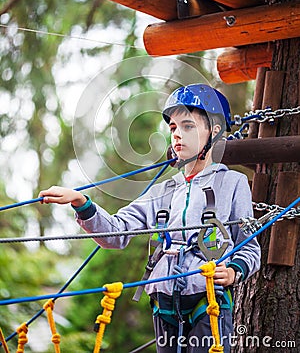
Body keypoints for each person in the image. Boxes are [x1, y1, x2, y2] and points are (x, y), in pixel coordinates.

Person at [39, 84, 261, 353]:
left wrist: (234, 271)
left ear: (213, 131)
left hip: (209, 302)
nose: (177, 134)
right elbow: (116, 234)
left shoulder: (233, 184)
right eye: (173, 128)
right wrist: (82, 203)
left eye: (188, 126)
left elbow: (249, 247)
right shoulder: (162, 192)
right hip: (163, 306)